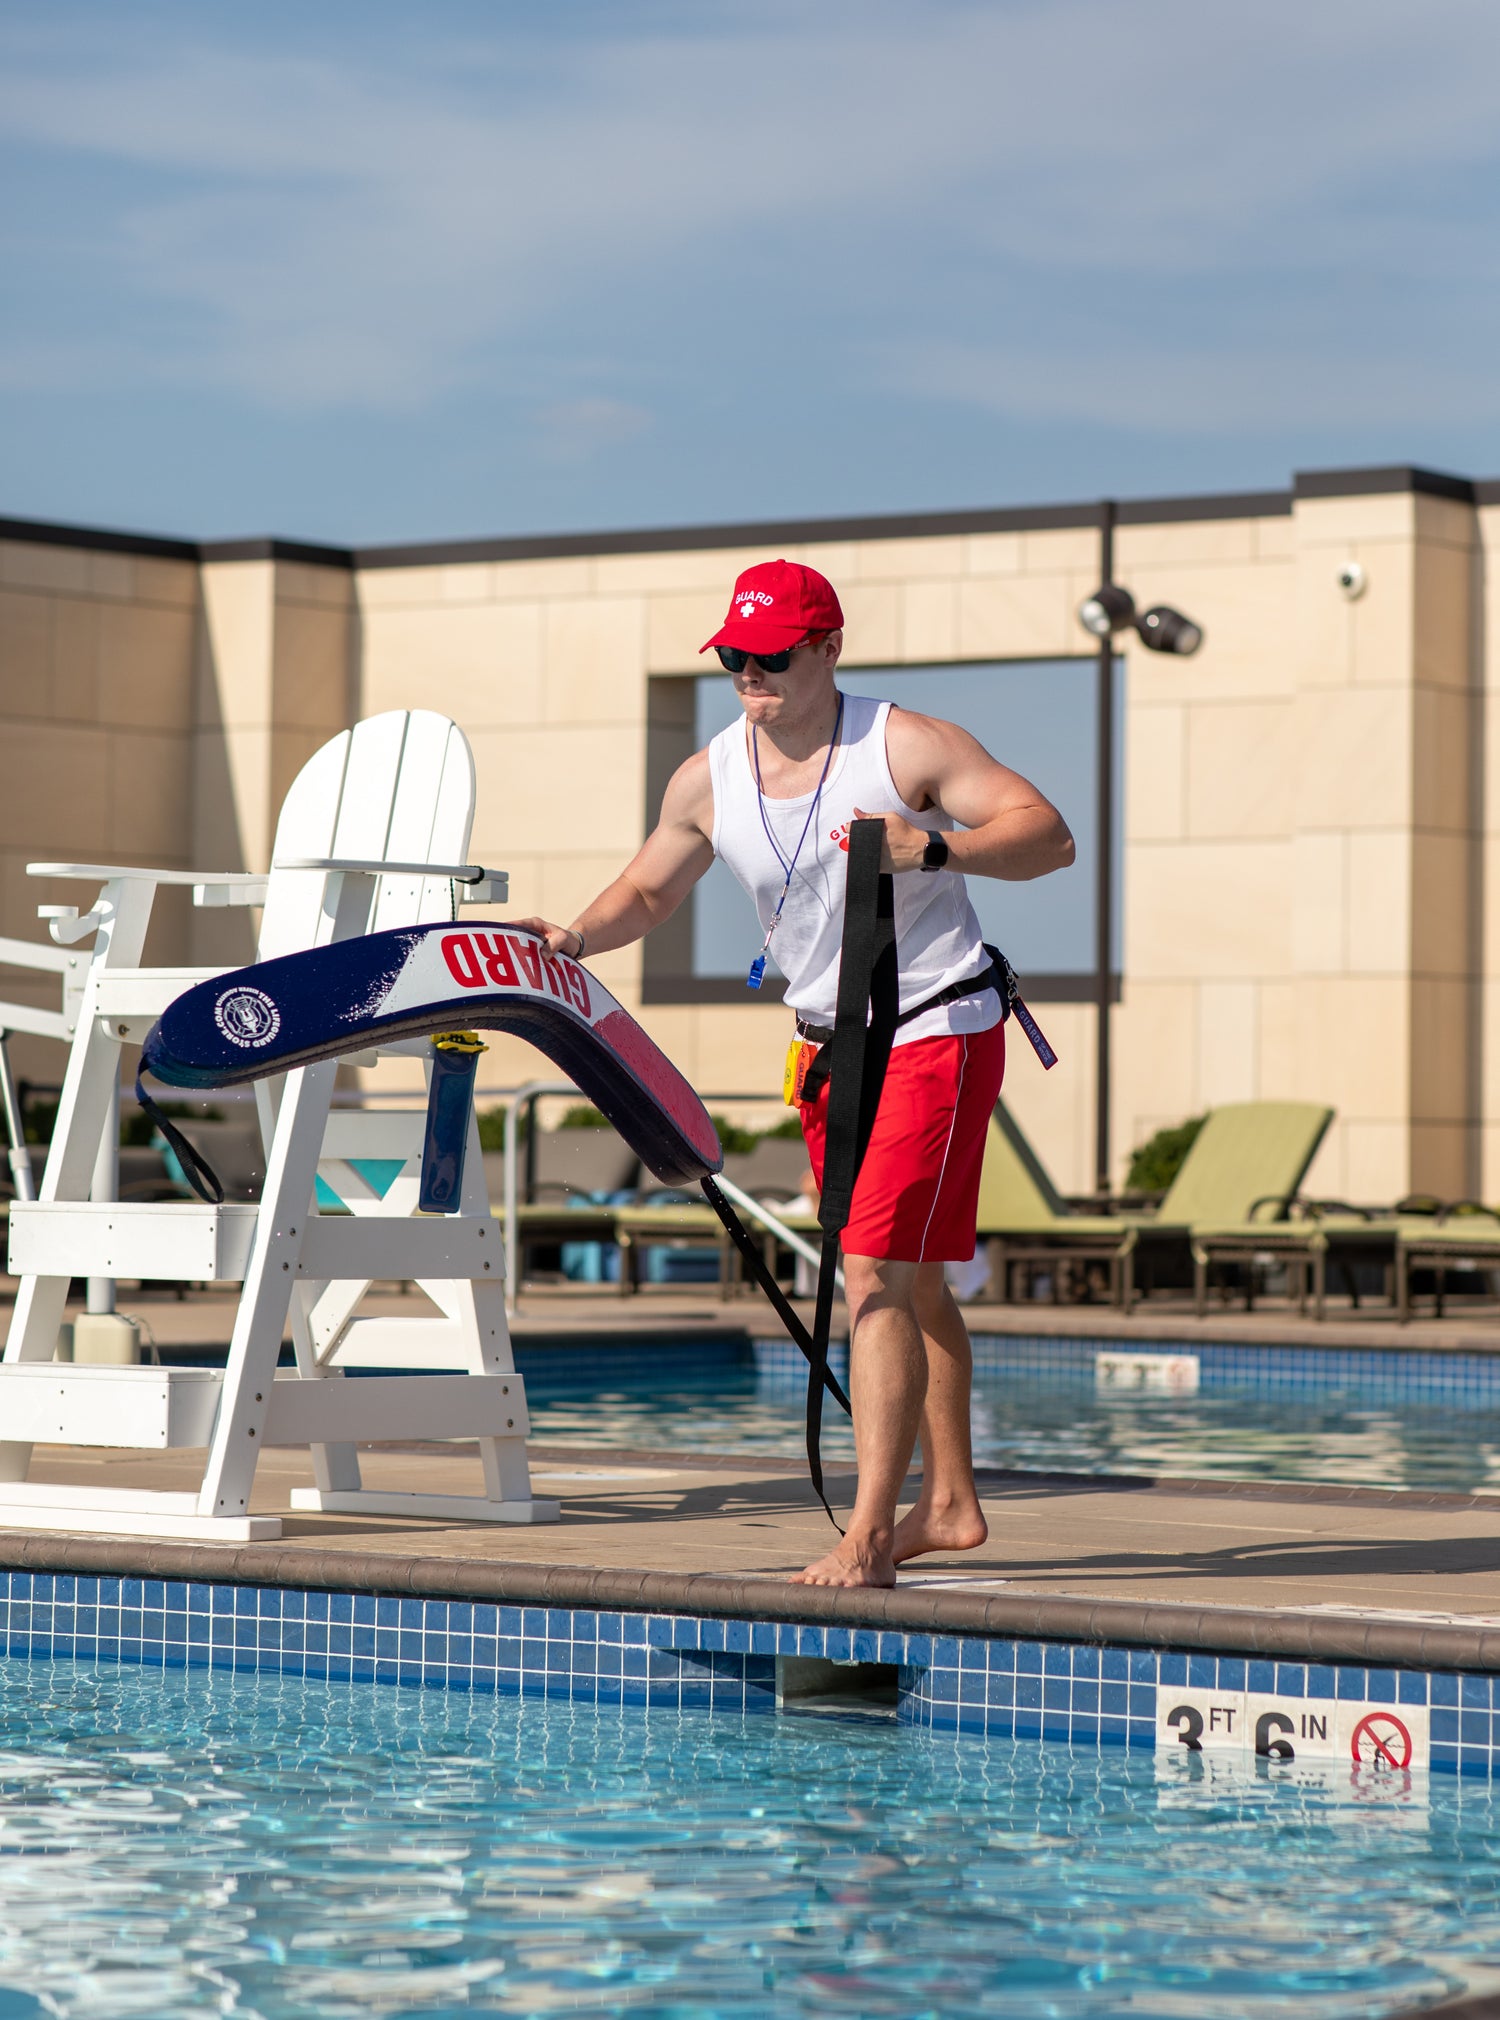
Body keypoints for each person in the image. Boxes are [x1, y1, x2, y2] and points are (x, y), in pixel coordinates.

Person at [516, 559, 1074, 1587]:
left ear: (827, 648)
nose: (748, 670)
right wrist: (577, 934)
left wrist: (937, 849)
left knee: (869, 1270)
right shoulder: (709, 775)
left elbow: (1048, 835)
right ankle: (947, 1505)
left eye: (770, 653)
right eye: (734, 653)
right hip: (830, 1049)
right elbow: (648, 887)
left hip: (934, 1029)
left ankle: (868, 1538)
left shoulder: (903, 744)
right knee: (911, 1276)